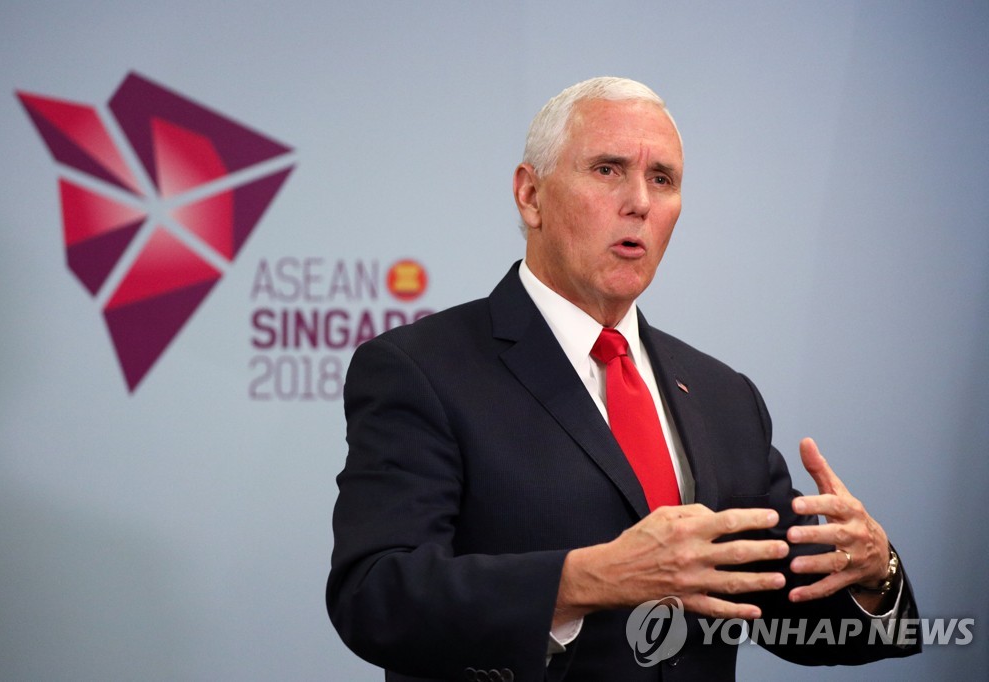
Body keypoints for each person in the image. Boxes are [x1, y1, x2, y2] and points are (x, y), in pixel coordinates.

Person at [327, 77, 919, 681]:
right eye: (608, 170)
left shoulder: (724, 395)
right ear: (530, 195)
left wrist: (874, 572)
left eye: (662, 179)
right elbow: (374, 596)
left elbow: (788, 607)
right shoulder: (422, 369)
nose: (639, 202)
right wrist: (584, 580)